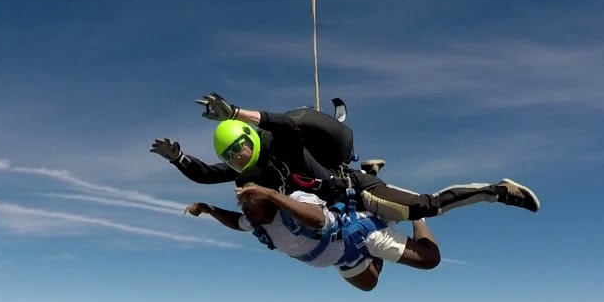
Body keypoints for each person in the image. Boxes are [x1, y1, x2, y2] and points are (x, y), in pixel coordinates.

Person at [153, 92, 541, 222]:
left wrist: (237, 113)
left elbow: (286, 127)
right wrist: (178, 157)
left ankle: (499, 191)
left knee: (425, 208)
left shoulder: (278, 143)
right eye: (231, 156)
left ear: (251, 137)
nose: (239, 158)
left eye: (240, 146)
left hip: (355, 193)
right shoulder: (254, 170)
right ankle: (371, 166)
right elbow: (205, 175)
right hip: (335, 211)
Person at [185, 182, 441, 291]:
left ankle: (416, 216)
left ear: (267, 197)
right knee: (370, 284)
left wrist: (274, 196)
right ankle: (382, 234)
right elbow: (234, 223)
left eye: (247, 201)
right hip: (343, 258)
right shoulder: (257, 223)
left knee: (429, 260)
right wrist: (209, 209)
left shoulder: (295, 202)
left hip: (360, 235)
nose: (243, 208)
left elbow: (318, 219)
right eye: (241, 204)